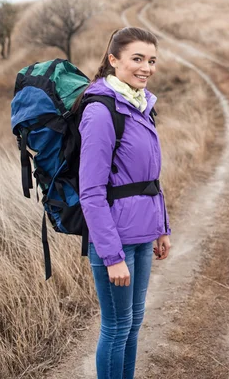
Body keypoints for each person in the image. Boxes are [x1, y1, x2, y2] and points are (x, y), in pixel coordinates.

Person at [77, 27, 172, 379]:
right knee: (116, 328)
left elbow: (149, 178)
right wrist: (112, 256)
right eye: (137, 59)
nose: (146, 67)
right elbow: (91, 191)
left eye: (151, 60)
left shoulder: (142, 104)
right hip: (114, 240)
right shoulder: (102, 111)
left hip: (144, 234)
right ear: (113, 60)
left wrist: (161, 228)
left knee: (133, 323)